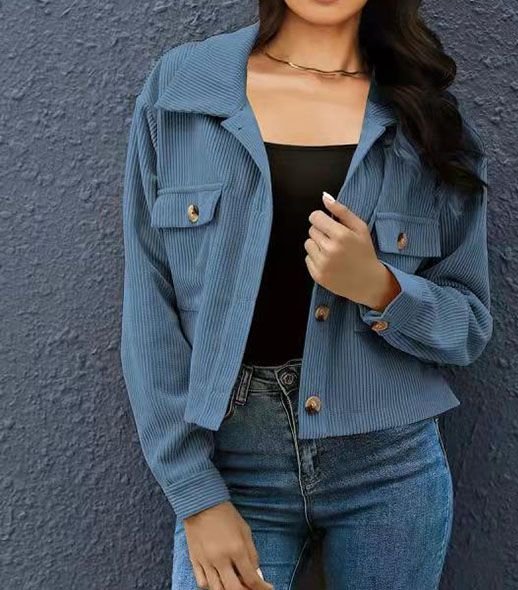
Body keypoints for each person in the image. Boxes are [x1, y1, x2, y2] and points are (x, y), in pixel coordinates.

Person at [120, 3, 493, 589]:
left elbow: (468, 325)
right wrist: (195, 494)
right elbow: (149, 305)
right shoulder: (183, 89)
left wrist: (380, 287)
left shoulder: (425, 119)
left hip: (388, 466)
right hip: (235, 463)